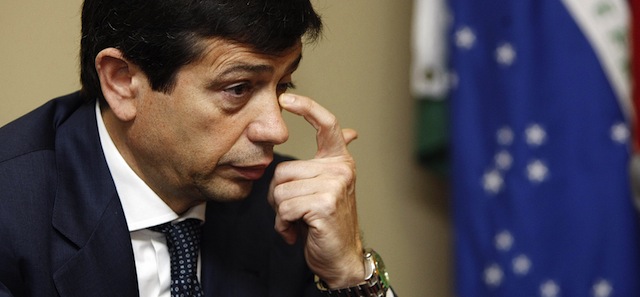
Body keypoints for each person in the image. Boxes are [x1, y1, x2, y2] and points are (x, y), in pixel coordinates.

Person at [0, 0, 394, 296]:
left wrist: (349, 272)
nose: (276, 131)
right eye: (237, 89)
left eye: (282, 86)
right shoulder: (12, 211)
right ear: (122, 81)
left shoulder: (286, 205)